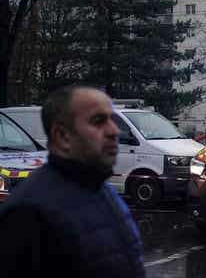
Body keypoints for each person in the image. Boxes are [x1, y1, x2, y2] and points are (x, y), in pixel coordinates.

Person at [0, 86, 145, 278]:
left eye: (112, 119)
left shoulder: (104, 191)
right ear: (63, 136)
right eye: (98, 121)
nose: (114, 131)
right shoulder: (28, 213)